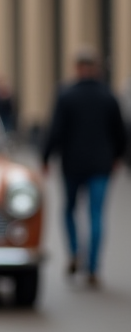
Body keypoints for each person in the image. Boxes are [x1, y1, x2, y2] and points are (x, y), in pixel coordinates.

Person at [41, 50, 126, 288]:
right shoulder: (108, 96)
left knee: (69, 209)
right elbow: (120, 131)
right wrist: (118, 156)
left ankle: (75, 252)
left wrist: (46, 158)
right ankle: (93, 266)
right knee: (96, 214)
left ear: (77, 68)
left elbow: (55, 130)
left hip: (72, 163)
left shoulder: (66, 95)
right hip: (101, 164)